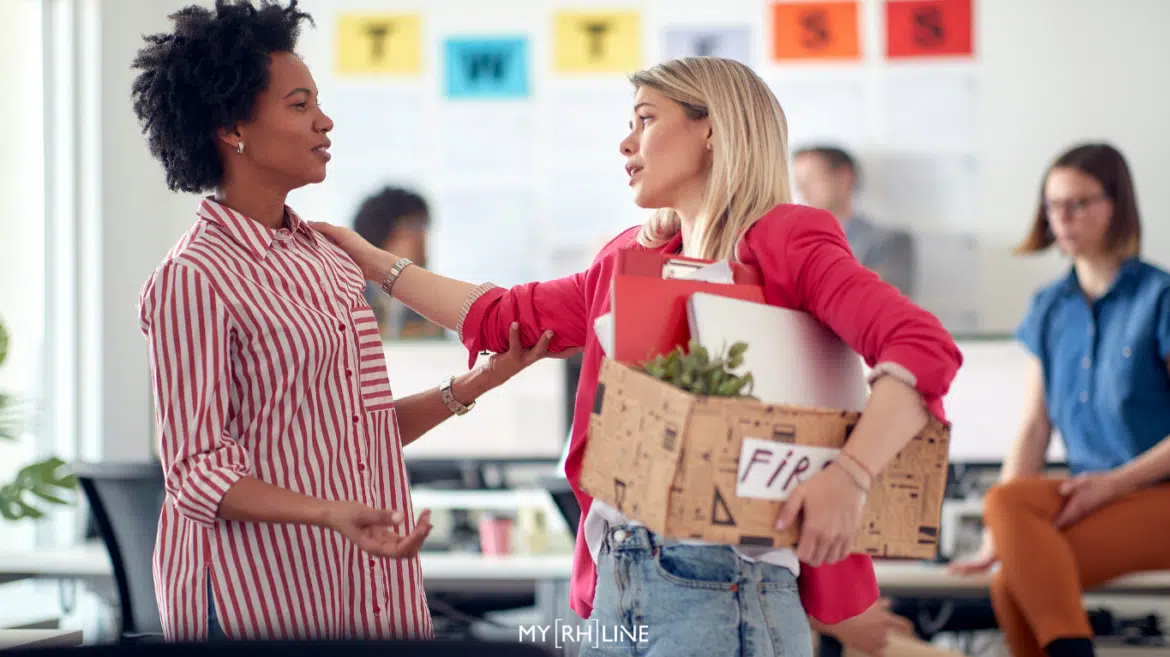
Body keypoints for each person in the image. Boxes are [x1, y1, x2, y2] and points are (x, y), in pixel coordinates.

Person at [314, 56, 962, 656]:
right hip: (617, 580)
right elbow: (501, 314)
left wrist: (849, 476)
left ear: (713, 130)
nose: (625, 144)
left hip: (726, 583)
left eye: (646, 121)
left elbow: (922, 348)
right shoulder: (627, 258)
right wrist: (371, 260)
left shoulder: (788, 238)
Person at [130, 0, 553, 641]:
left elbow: (358, 434)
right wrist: (330, 514)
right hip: (254, 597)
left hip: (360, 578)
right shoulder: (194, 277)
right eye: (299, 106)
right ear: (231, 127)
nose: (324, 122)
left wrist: (475, 385)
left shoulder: (328, 258)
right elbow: (196, 473)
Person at [948, 143, 1170, 657]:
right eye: (1052, 205)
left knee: (1015, 580)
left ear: (1117, 205)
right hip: (1092, 495)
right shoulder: (1049, 307)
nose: (1062, 218)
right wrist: (995, 538)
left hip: (1155, 494)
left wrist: (1114, 485)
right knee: (1006, 516)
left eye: (1079, 203)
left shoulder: (1159, 296)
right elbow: (1033, 429)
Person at [792, 146, 917, 298]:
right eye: (800, 182)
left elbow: (886, 295)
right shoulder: (795, 244)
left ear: (845, 177)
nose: (803, 190)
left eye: (813, 179)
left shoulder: (890, 240)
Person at [351, 186, 446, 341]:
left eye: (424, 226)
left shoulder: (433, 304)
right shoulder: (348, 297)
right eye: (414, 226)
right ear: (382, 232)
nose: (422, 237)